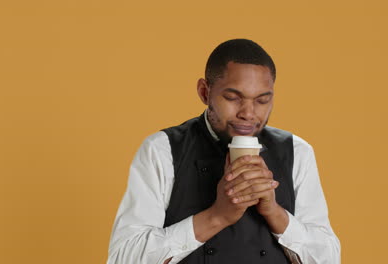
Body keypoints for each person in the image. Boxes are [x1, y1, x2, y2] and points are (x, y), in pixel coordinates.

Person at [107, 39, 341, 264]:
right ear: (204, 92)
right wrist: (218, 216)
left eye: (261, 100)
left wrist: (274, 212)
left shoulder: (296, 151)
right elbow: (122, 258)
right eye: (232, 98)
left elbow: (329, 259)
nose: (248, 113)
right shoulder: (162, 149)